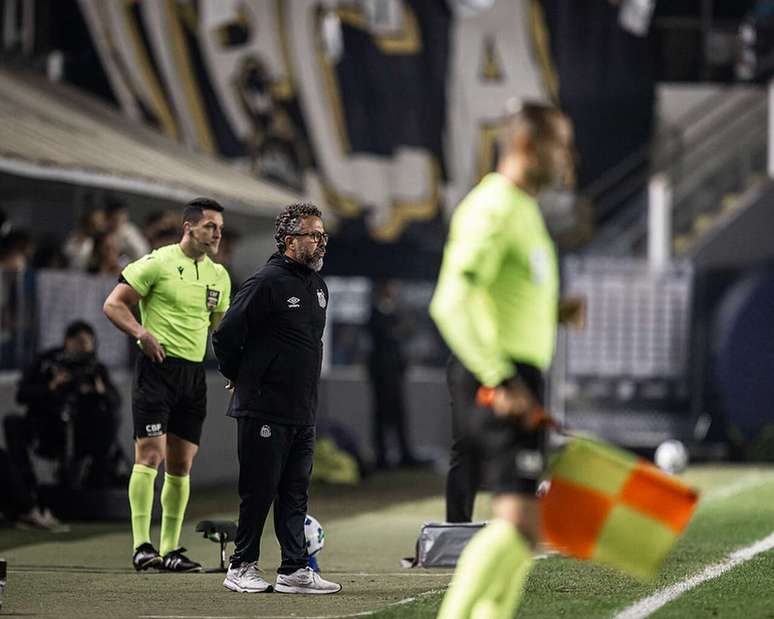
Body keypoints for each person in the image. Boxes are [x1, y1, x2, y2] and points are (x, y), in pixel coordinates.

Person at [429, 101, 577, 619]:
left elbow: (505, 292)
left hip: (521, 377)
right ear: (526, 146)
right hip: (497, 379)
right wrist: (502, 380)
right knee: (516, 524)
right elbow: (451, 299)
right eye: (560, 144)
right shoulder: (492, 207)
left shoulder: (525, 209)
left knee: (526, 530)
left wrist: (554, 310)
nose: (567, 157)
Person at [213, 202, 341, 595]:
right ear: (289, 240)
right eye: (313, 235)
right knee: (259, 489)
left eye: (323, 235)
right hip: (264, 406)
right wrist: (238, 374)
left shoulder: (317, 287)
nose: (321, 243)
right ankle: (241, 565)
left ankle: (294, 570)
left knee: (295, 491)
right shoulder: (264, 282)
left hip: (302, 409)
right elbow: (225, 335)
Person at [102, 197, 231, 572]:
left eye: (219, 228)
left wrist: (235, 370)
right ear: (188, 227)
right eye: (211, 226)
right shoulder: (157, 261)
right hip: (157, 370)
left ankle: (171, 549)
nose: (217, 233)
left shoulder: (219, 276)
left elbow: (219, 332)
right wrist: (141, 332)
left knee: (181, 463)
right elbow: (113, 304)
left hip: (193, 376)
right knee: (151, 455)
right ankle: (142, 546)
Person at [5, 320, 120, 514]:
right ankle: (26, 490)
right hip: (47, 429)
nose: (82, 347)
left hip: (84, 432)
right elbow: (22, 395)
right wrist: (51, 386)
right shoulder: (47, 363)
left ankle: (94, 481)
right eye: (78, 341)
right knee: (12, 423)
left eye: (87, 342)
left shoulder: (95, 369)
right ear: (67, 341)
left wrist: (99, 392)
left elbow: (115, 401)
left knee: (110, 420)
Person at [367, 279, 419, 469]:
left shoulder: (394, 311)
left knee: (398, 413)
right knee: (382, 414)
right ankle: (382, 456)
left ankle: (403, 453)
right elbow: (384, 335)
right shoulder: (376, 313)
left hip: (395, 372)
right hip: (382, 373)